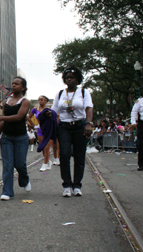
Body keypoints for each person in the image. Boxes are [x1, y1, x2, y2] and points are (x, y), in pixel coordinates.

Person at [51, 65, 93, 197]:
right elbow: (54, 110)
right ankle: (67, 185)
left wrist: (89, 124)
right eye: (67, 78)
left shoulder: (84, 92)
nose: (69, 80)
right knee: (64, 154)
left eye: (72, 78)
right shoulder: (60, 94)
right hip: (64, 127)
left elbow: (89, 108)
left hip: (80, 126)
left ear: (78, 79)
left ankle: (77, 185)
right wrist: (47, 115)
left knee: (80, 156)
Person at [0, 77, 31, 201]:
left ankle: (24, 180)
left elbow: (19, 117)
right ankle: (7, 192)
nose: (14, 85)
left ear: (23, 87)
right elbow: (4, 118)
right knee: (8, 165)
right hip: (7, 138)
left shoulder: (25, 101)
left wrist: (1, 119)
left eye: (17, 84)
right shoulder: (6, 102)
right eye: (13, 83)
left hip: (21, 137)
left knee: (20, 164)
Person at [28, 95, 54, 171]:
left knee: (47, 148)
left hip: (48, 130)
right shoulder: (35, 109)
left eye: (42, 99)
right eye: (39, 100)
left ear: (46, 100)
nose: (40, 101)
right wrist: (34, 125)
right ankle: (48, 161)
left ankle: (44, 164)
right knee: (42, 147)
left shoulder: (49, 109)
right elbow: (28, 117)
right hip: (40, 130)